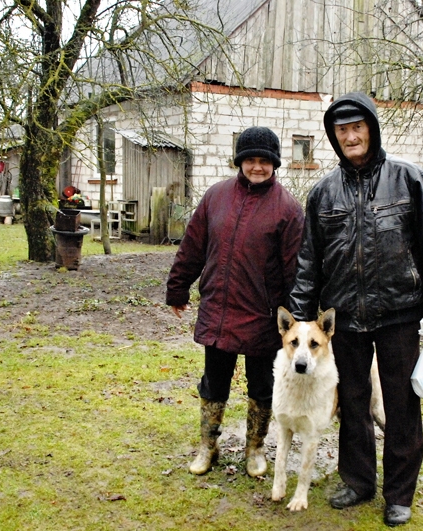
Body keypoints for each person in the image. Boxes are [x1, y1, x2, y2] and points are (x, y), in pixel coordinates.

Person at [287, 92, 423, 527]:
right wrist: (304, 312)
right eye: (341, 130)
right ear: (334, 137)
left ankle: (399, 494)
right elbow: (310, 259)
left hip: (400, 310)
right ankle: (359, 481)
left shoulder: (408, 179)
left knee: (401, 405)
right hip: (344, 316)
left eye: (356, 127)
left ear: (372, 128)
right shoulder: (323, 192)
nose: (350, 136)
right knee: (353, 401)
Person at [166, 126, 304, 477]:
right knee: (214, 383)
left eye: (264, 161)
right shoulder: (216, 197)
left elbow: (295, 270)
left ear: (274, 164)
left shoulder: (287, 209)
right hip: (219, 311)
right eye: (250, 160)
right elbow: (193, 247)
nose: (257, 167)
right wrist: (178, 287)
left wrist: (296, 320)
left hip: (263, 316)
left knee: (262, 386)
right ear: (240, 161)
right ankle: (207, 447)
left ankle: (255, 448)